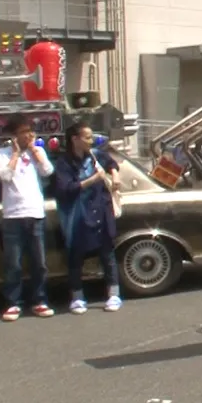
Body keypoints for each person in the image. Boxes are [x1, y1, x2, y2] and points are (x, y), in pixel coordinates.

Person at [51, 121, 124, 314]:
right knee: (75, 258)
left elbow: (111, 163)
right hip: (77, 215)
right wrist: (93, 179)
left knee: (107, 255)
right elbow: (66, 189)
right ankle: (77, 297)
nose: (91, 140)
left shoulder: (96, 155)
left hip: (100, 210)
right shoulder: (63, 163)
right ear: (75, 139)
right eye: (87, 137)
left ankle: (114, 294)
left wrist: (114, 175)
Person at [0, 114, 55, 322]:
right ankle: (13, 303)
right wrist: (16, 155)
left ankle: (39, 300)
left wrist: (36, 153)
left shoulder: (38, 151)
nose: (28, 135)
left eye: (30, 131)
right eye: (23, 132)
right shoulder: (1, 154)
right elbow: (5, 177)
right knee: (14, 263)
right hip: (13, 215)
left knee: (39, 262)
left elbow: (47, 171)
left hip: (35, 212)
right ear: (14, 135)